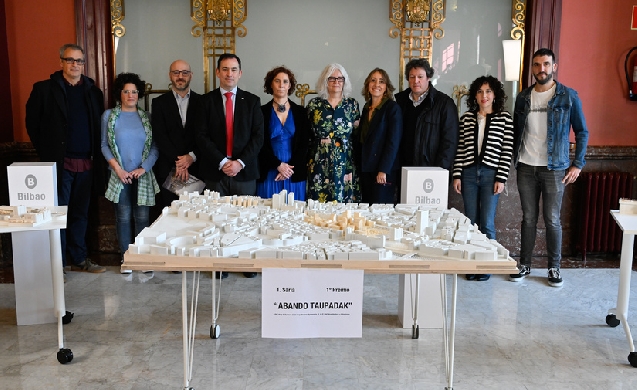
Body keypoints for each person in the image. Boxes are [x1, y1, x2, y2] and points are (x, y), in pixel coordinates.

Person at [509, 48, 589, 287]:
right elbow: (516, 132)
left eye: (545, 64)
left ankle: (554, 268)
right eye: (536, 65)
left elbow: (582, 131)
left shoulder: (568, 96)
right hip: (525, 165)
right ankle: (524, 264)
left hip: (554, 167)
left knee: (552, 219)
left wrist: (578, 164)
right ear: (532, 68)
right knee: (529, 218)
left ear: (554, 66)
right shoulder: (523, 97)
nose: (541, 69)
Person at [26, 43, 106, 274]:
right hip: (60, 165)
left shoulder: (93, 91)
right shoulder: (44, 89)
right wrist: (48, 155)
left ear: (84, 64)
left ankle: (79, 259)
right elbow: (33, 125)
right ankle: (58, 264)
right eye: (70, 60)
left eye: (79, 61)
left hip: (87, 164)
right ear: (61, 62)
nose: (75, 65)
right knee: (58, 215)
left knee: (81, 214)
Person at [195, 53, 263, 278]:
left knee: (246, 219)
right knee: (216, 219)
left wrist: (239, 163)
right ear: (217, 73)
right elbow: (201, 136)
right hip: (215, 171)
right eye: (224, 69)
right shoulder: (205, 102)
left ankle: (246, 263)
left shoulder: (252, 101)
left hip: (245, 172)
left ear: (240, 73)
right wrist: (224, 162)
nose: (229, 73)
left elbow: (258, 137)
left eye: (234, 69)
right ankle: (219, 264)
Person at [452, 76, 514, 282]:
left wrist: (501, 177)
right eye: (479, 92)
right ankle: (472, 264)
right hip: (469, 174)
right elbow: (460, 149)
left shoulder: (504, 118)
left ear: (495, 94)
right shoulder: (467, 119)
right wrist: (457, 175)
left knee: (487, 222)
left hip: (490, 175)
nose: (484, 96)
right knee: (471, 222)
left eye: (488, 91)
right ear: (474, 96)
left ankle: (486, 265)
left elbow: (506, 151)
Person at [101, 72, 160, 274]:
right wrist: (118, 169)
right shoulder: (109, 116)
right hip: (119, 176)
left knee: (143, 217)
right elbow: (104, 145)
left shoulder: (147, 118)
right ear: (120, 93)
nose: (131, 95)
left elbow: (154, 148)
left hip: (142, 175)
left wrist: (144, 168)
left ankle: (142, 259)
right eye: (126, 91)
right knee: (123, 217)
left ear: (139, 94)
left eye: (134, 91)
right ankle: (126, 259)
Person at [395, 58, 459, 200]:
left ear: (428, 78)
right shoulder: (400, 102)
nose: (416, 81)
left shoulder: (444, 104)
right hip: (404, 171)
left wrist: (439, 172)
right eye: (412, 77)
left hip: (431, 172)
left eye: (420, 77)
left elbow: (450, 141)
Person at [306, 63, 361, 203]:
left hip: (345, 160)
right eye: (332, 78)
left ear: (344, 81)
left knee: (343, 203)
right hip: (320, 160)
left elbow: (356, 134)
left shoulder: (352, 105)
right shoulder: (314, 105)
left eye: (340, 79)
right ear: (325, 81)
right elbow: (307, 134)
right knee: (318, 202)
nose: (336, 82)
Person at [152, 60, 200, 209]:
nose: (180, 76)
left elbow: (206, 136)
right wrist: (179, 162)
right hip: (168, 170)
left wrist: (191, 157)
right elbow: (160, 136)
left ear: (191, 75)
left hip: (197, 170)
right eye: (176, 72)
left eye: (185, 72)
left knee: (197, 218)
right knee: (169, 216)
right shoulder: (159, 103)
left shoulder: (203, 102)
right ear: (170, 75)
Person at [257, 66, 310, 200]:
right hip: (269, 170)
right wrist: (278, 165)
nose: (281, 85)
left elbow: (305, 144)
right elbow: (259, 143)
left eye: (285, 81)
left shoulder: (301, 112)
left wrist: (288, 170)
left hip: (294, 171)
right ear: (271, 84)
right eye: (277, 81)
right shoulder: (261, 112)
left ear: (290, 85)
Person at [353, 68, 402, 204]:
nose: (376, 85)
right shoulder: (366, 108)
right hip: (366, 168)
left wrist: (383, 170)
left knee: (380, 211)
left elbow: (393, 142)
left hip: (382, 171)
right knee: (367, 210)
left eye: (381, 81)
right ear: (368, 85)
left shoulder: (392, 108)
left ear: (386, 87)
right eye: (373, 80)